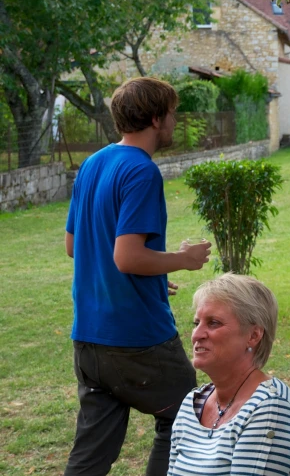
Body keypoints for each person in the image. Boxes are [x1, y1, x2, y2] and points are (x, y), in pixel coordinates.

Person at [64, 77, 212, 476]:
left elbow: (76, 247)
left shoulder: (94, 163)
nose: (175, 121)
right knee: (186, 417)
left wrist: (152, 274)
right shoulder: (142, 172)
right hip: (137, 341)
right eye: (172, 114)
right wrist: (183, 259)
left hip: (89, 341)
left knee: (91, 454)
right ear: (154, 118)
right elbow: (127, 257)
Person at [168, 274, 290, 475]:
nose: (196, 334)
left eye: (213, 323)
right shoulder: (191, 405)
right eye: (197, 323)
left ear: (253, 335)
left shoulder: (270, 408)